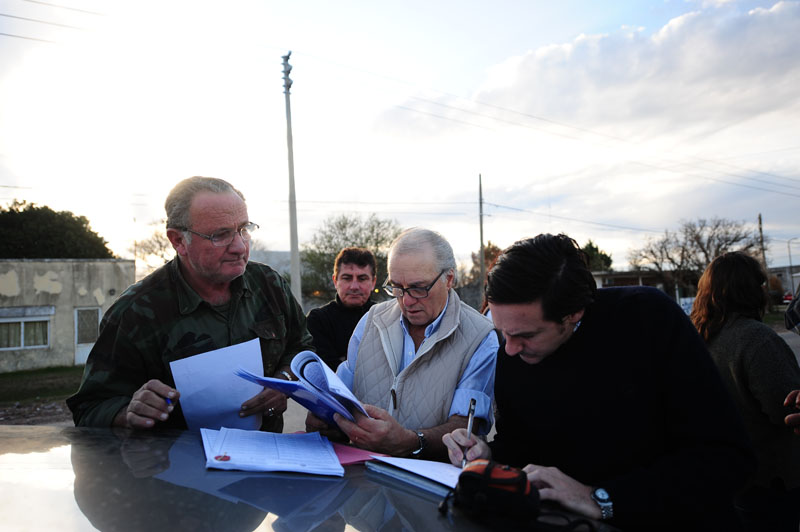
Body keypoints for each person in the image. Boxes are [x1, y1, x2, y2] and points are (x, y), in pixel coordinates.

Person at [443, 233, 755, 532]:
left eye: (526, 335)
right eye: (502, 332)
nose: (509, 349)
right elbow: (521, 445)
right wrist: (487, 455)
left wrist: (602, 498)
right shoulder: (515, 350)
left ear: (574, 313)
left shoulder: (647, 320)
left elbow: (726, 457)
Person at [67, 176, 314, 431]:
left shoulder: (269, 285)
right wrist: (128, 411)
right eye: (221, 235)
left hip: (265, 459)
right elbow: (89, 408)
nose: (240, 247)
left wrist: (283, 381)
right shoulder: (135, 312)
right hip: (177, 467)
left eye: (244, 229)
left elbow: (303, 347)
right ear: (178, 241)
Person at [307, 228, 498, 460]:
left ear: (449, 279)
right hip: (366, 475)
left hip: (431, 486)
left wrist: (410, 441)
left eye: (419, 288)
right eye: (396, 287)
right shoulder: (371, 321)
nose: (406, 301)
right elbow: (343, 391)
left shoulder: (480, 336)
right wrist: (325, 416)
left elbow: (466, 428)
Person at [690, 251, 800, 532]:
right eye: (761, 285)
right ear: (749, 290)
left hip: (729, 478)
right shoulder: (756, 338)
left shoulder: (700, 337)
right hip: (773, 480)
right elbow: (787, 412)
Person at [306, 247, 378, 370]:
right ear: (335, 281)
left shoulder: (386, 318)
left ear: (373, 282)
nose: (354, 286)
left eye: (362, 278)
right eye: (347, 278)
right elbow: (328, 371)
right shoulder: (318, 320)